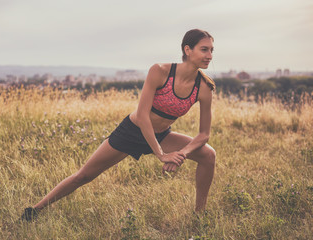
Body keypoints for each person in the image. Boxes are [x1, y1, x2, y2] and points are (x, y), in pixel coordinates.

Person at [21, 29, 216, 221]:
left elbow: (203, 134)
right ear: (188, 50)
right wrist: (161, 154)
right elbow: (141, 116)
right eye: (204, 50)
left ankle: (199, 214)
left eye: (211, 51)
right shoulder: (161, 71)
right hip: (132, 132)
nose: (209, 56)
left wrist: (181, 154)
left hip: (162, 135)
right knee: (84, 176)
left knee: (208, 155)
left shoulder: (204, 88)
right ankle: (35, 210)